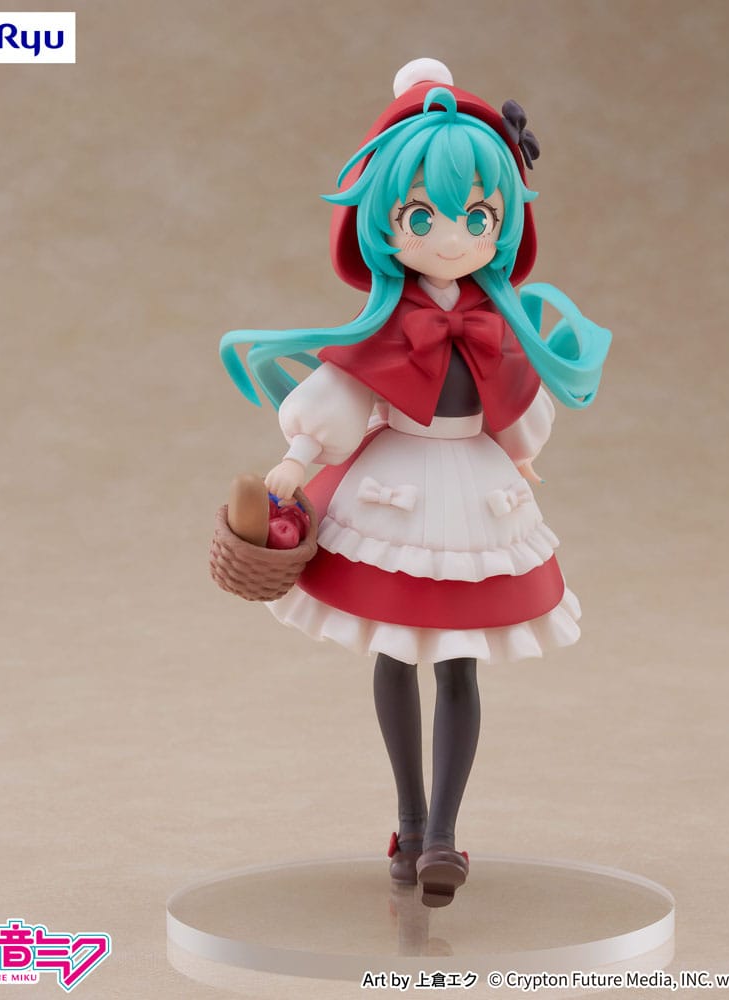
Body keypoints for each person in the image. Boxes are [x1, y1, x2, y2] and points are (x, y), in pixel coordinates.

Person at [219, 58, 611, 906]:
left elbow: (519, 406)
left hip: (472, 490)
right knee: (395, 654)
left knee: (459, 663)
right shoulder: (389, 326)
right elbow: (344, 393)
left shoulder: (498, 323)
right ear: (382, 222)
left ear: (503, 222)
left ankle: (442, 837)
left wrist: (521, 453)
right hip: (392, 485)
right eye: (422, 216)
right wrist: (295, 463)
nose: (451, 237)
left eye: (478, 216)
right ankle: (408, 818)